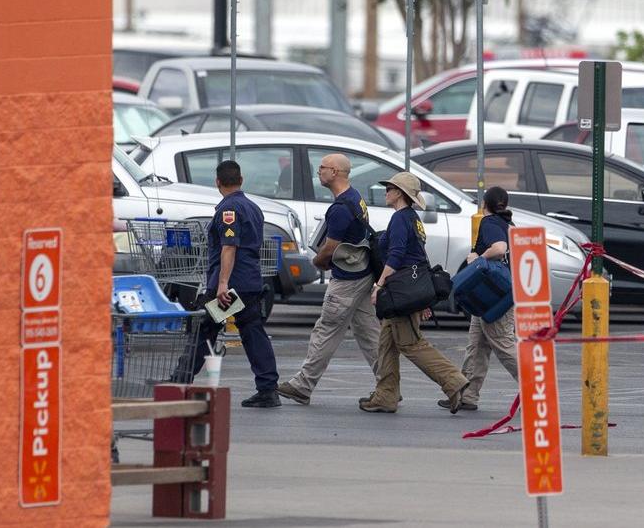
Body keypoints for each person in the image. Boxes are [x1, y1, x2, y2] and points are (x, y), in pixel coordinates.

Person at [358, 172, 470, 414]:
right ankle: (386, 395)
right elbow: (419, 256)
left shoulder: (400, 219)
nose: (386, 191)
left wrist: (379, 285)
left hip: (400, 292)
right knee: (386, 345)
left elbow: (397, 256)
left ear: (400, 193)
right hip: (410, 289)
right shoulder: (412, 219)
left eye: (389, 188)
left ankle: (454, 381)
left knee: (411, 344)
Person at [276, 154, 380, 405]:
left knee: (326, 330)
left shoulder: (341, 208)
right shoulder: (355, 198)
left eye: (322, 168)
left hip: (346, 279)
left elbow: (331, 247)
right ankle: (388, 384)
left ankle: (303, 385)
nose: (318, 172)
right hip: (362, 274)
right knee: (369, 333)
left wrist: (318, 261)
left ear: (334, 172)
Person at [189, 160, 281, 408]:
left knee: (205, 329)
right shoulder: (253, 207)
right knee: (253, 332)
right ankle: (268, 388)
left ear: (217, 182)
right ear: (241, 180)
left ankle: (180, 379)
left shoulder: (228, 210)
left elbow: (229, 247)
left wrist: (222, 285)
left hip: (231, 286)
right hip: (250, 280)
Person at [438, 187, 519, 411]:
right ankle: (467, 396)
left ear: (486, 204)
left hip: (493, 299)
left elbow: (499, 249)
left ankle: (536, 390)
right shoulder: (509, 225)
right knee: (476, 347)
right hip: (491, 296)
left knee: (503, 346)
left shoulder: (491, 222)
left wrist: (477, 257)